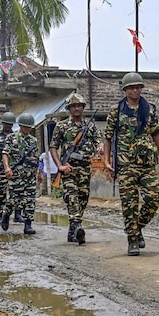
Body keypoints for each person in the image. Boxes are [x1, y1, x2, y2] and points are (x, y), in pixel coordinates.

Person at [103, 72, 159, 256]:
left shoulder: (149, 109)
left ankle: (137, 227)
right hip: (125, 165)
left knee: (154, 199)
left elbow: (158, 136)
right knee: (129, 203)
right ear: (125, 90)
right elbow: (108, 137)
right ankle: (132, 239)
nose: (135, 90)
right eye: (132, 87)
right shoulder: (116, 111)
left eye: (138, 87)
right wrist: (106, 160)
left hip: (147, 163)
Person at [50, 92, 100, 245]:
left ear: (83, 108)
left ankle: (72, 230)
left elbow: (99, 141)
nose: (77, 108)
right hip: (69, 169)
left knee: (83, 199)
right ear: (69, 108)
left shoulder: (90, 126)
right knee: (72, 197)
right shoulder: (62, 126)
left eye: (79, 106)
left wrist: (101, 147)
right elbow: (53, 147)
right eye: (74, 106)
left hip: (85, 169)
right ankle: (77, 226)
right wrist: (60, 166)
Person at [1, 113, 40, 234]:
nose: (27, 129)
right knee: (12, 200)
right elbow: (5, 153)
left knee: (30, 200)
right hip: (16, 175)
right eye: (25, 126)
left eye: (29, 127)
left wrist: (39, 173)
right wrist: (7, 167)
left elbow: (36, 158)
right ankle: (6, 215)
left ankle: (28, 225)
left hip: (30, 176)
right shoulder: (11, 138)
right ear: (21, 126)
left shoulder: (33, 140)